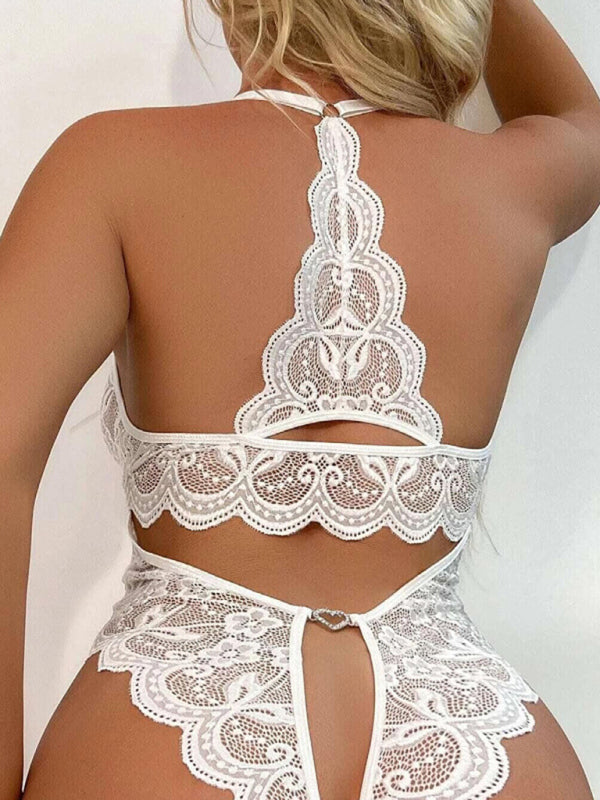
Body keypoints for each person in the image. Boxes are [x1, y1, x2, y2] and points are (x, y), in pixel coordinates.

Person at [2, 0, 599, 797]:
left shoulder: (110, 164)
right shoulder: (515, 181)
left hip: (169, 713)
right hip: (468, 725)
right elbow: (582, 116)